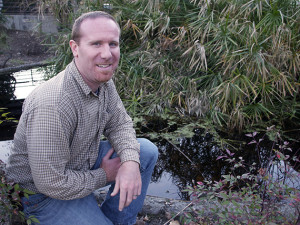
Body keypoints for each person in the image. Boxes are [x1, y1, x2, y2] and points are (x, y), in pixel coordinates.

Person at [6, 11, 158, 225]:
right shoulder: (53, 104)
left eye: (113, 44)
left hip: (78, 164)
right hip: (40, 196)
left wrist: (131, 163)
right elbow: (51, 183)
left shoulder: (103, 81)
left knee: (145, 152)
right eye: (96, 44)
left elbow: (120, 124)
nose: (107, 54)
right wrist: (105, 175)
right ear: (75, 48)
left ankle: (119, 220)